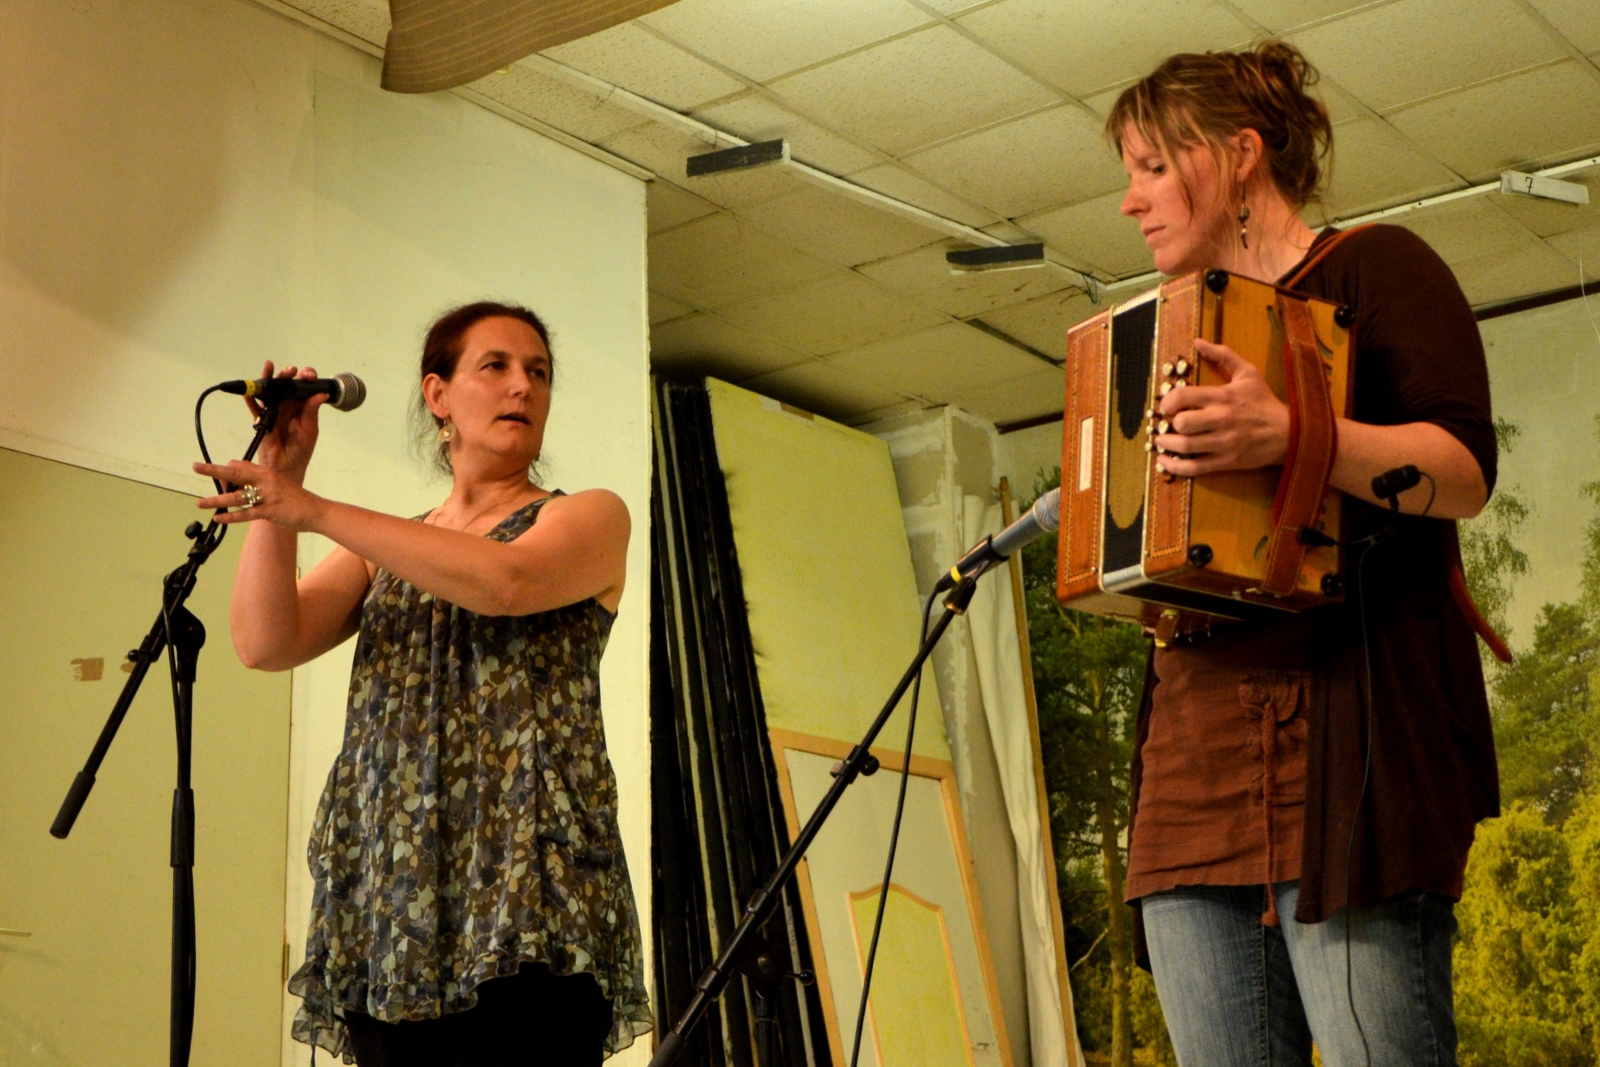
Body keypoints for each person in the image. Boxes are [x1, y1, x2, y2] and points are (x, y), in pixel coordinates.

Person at [1106, 43, 1499, 1067]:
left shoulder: (1378, 265)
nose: (1130, 199)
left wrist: (1293, 434)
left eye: (1153, 166)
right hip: (1191, 757)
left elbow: (1462, 472)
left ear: (1240, 155)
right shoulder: (1175, 329)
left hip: (1346, 740)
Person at [194, 302, 653, 1066]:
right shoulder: (386, 547)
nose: (523, 386)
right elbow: (266, 639)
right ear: (438, 394)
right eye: (496, 366)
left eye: (538, 372)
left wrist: (316, 509)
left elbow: (507, 581)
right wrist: (282, 487)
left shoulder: (590, 516)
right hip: (395, 907)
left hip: (525, 905)